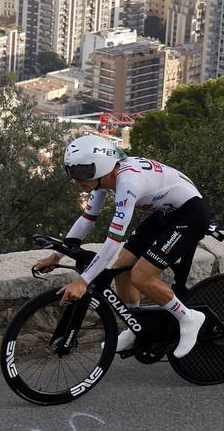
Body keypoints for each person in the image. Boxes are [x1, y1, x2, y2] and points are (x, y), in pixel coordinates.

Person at [33, 133, 209, 358]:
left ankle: (189, 318)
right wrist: (56, 256)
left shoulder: (127, 182)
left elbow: (113, 241)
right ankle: (136, 325)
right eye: (73, 173)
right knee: (121, 269)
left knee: (140, 277)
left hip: (191, 214)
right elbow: (87, 219)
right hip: (166, 213)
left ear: (101, 167)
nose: (78, 180)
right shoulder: (104, 179)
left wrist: (83, 281)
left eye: (82, 173)